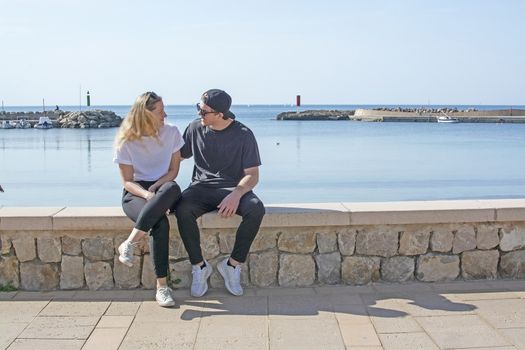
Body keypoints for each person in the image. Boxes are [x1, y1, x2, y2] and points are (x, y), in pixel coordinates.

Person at [175, 89, 265, 297]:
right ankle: (199, 266)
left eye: (204, 111)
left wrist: (236, 194)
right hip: (200, 188)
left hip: (232, 188)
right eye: (198, 108)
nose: (199, 114)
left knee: (256, 209)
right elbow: (177, 156)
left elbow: (252, 175)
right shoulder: (195, 128)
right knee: (182, 209)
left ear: (220, 114)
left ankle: (232, 266)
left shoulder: (243, 134)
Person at [113, 91, 183, 307]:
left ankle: (130, 242)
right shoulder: (126, 140)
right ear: (146, 114)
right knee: (159, 223)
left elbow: (173, 171)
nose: (165, 115)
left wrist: (155, 188)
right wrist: (146, 194)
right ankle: (162, 288)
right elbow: (127, 182)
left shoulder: (171, 133)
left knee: (172, 188)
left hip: (163, 187)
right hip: (135, 193)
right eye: (161, 111)